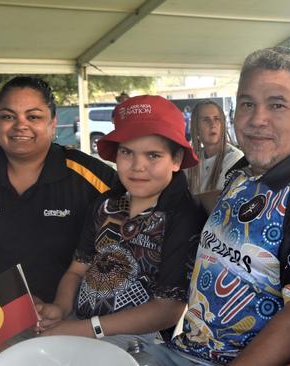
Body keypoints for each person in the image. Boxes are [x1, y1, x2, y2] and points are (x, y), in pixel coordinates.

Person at [126, 47, 290, 366]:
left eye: (277, 105)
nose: (256, 120)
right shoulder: (248, 169)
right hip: (185, 348)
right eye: (247, 103)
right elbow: (225, 206)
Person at [35, 95, 207, 347]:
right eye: (127, 152)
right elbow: (76, 269)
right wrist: (60, 308)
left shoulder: (184, 217)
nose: (138, 166)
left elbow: (168, 308)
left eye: (153, 155)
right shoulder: (104, 205)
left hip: (141, 343)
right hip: (79, 326)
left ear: (177, 160)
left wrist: (84, 329)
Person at [0, 76, 116, 303]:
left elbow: (144, 223)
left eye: (33, 116)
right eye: (8, 116)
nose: (20, 125)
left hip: (67, 316)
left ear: (52, 123)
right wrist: (12, 301)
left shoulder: (88, 174)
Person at [186, 100, 243, 194]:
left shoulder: (235, 158)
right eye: (206, 120)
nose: (213, 125)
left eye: (217, 119)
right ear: (196, 127)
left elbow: (220, 200)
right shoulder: (193, 160)